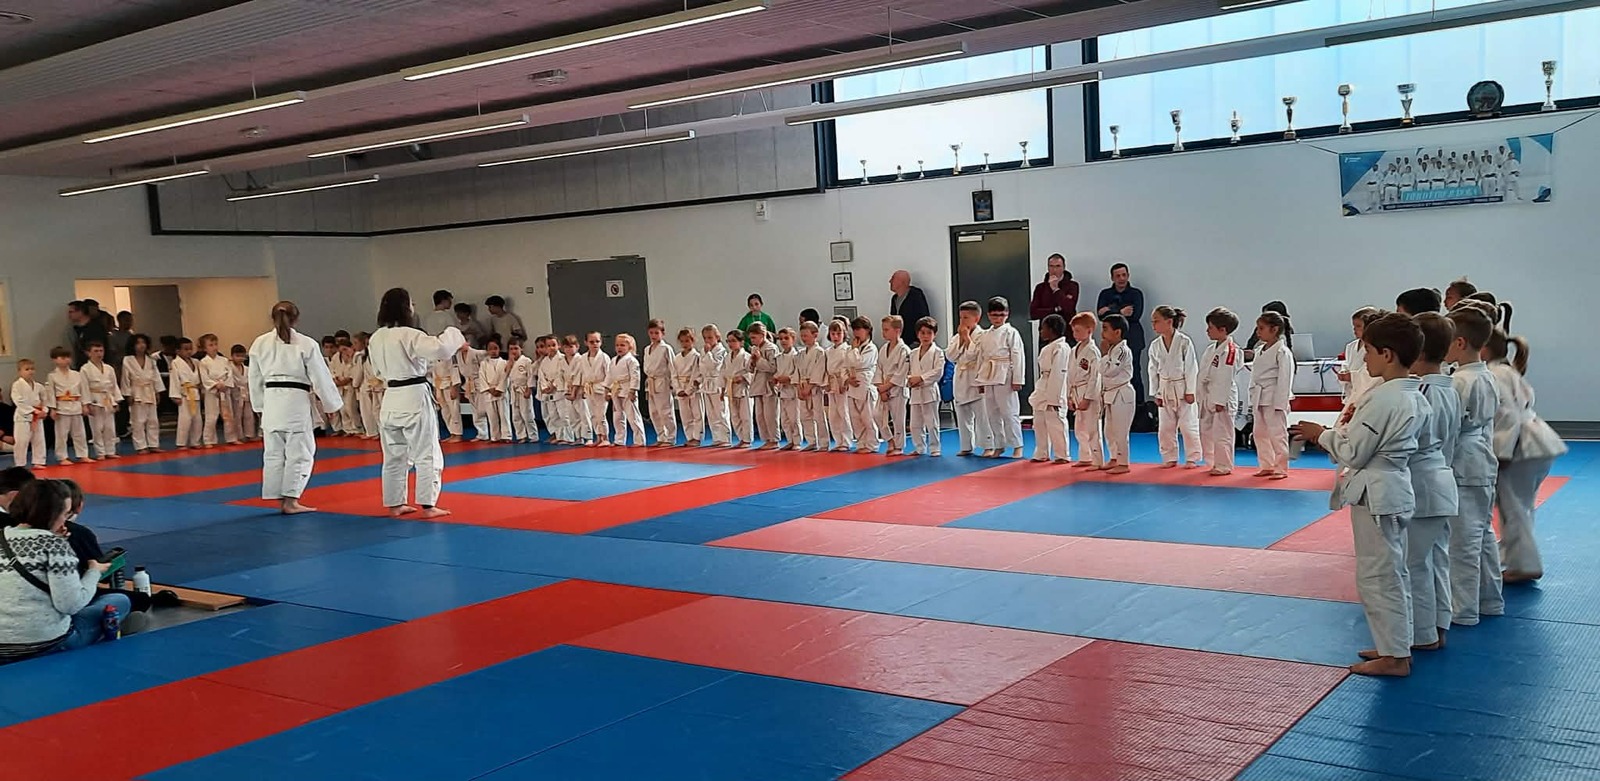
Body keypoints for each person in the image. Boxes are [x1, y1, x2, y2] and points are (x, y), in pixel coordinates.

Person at [1291, 313, 1427, 678]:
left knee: (1378, 575)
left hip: (1378, 491)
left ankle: (1395, 655)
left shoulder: (1384, 399)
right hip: (1393, 486)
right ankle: (1395, 644)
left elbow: (1354, 451)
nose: (1364, 358)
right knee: (1391, 571)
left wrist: (1320, 434)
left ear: (1387, 354)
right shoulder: (1412, 394)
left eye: (1367, 350)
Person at [1, 479, 129, 662]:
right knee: (119, 600)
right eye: (65, 513)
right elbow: (70, 605)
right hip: (47, 644)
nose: (65, 520)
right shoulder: (55, 546)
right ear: (52, 514)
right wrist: (94, 572)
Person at [367, 288, 467, 519]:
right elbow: (440, 349)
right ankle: (428, 505)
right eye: (411, 303)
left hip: (390, 398)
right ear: (405, 308)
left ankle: (395, 503)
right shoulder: (410, 334)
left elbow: (377, 371)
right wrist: (454, 332)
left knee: (394, 455)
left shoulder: (376, 337)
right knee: (427, 452)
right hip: (413, 396)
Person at [1485, 322, 1566, 584]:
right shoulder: (1506, 370)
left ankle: (1525, 565)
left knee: (1513, 508)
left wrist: (1503, 454)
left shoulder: (1494, 375)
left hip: (1519, 447)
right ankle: (1512, 557)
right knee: (1519, 506)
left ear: (1482, 349)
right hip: (1534, 442)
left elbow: (1508, 416)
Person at [247, 302, 342, 515]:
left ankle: (278, 497)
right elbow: (320, 377)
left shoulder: (260, 343)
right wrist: (330, 404)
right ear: (296, 319)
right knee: (299, 451)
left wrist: (259, 406)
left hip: (271, 401)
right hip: (295, 402)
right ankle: (291, 501)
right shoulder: (306, 344)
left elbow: (254, 378)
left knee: (273, 453)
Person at [1404, 312, 1460, 654]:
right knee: (1436, 557)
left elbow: (1409, 444)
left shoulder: (1421, 391)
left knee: (1412, 564)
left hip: (1421, 484)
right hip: (1442, 478)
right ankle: (1439, 624)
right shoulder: (1449, 388)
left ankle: (1422, 633)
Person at [1443, 305, 1502, 625]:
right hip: (1482, 460)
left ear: (1460, 342)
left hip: (1463, 464)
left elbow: (1451, 429)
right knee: (1482, 534)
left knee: (1461, 542)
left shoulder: (1459, 382)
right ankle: (1490, 599)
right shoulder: (1486, 375)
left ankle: (1463, 609)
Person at [1148, 306, 1200, 468]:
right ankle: (1169, 457)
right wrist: (1156, 393)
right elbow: (1152, 370)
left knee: (1188, 426)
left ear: (1169, 321)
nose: (1153, 325)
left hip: (1182, 387)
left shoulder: (1184, 342)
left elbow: (1191, 368)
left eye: (1156, 321)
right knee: (1165, 427)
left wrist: (1191, 391)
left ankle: (1192, 457)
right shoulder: (1155, 345)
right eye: (1153, 322)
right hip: (1164, 388)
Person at [976, 297, 1025, 459]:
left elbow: (1018, 355)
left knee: (1009, 412)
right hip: (988, 374)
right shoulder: (985, 334)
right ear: (989, 315)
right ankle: (999, 444)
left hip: (1005, 373)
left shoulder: (1011, 332)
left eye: (1001, 315)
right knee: (992, 413)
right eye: (995, 315)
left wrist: (1018, 379)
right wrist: (979, 380)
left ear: (1007, 314)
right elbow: (981, 357)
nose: (998, 318)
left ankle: (1017, 445)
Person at [1197, 308, 1242, 477]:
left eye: (1210, 327)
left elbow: (1226, 377)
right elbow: (1203, 373)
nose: (1207, 330)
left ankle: (1224, 465)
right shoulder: (1211, 349)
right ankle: (1212, 462)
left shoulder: (1231, 350)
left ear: (1222, 329)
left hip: (1222, 397)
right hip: (1208, 394)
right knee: (1206, 431)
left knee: (1222, 433)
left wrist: (1220, 401)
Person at [1250, 312, 1295, 480]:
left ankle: (1281, 468)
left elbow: (1285, 378)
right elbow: (1254, 375)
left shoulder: (1283, 352)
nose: (1258, 332)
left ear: (1274, 329)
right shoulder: (1259, 350)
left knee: (1277, 434)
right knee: (1259, 433)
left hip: (1274, 396)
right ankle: (1267, 465)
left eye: (1261, 328)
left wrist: (1281, 402)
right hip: (1259, 396)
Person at [1095, 264, 1147, 402]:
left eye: (1124, 275)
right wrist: (1120, 311)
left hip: (1133, 338)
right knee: (1110, 370)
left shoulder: (1136, 294)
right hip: (1111, 339)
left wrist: (1110, 309)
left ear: (1128, 276)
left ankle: (1139, 408)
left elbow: (1135, 315)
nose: (1121, 278)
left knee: (1135, 374)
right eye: (1117, 276)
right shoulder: (1105, 294)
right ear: (1112, 278)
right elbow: (1101, 316)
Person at [947, 301, 991, 457]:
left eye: (966, 317)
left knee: (982, 415)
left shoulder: (983, 336)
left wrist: (967, 338)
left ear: (976, 318)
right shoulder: (956, 337)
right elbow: (950, 356)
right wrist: (961, 339)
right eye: (960, 317)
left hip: (976, 377)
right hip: (961, 378)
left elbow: (974, 354)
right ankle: (966, 446)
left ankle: (988, 445)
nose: (962, 321)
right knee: (962, 414)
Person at [1030, 313, 1071, 464]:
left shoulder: (1061, 348)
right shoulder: (1048, 347)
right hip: (1043, 386)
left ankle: (1062, 454)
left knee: (1056, 423)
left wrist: (1054, 399)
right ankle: (1042, 452)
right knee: (1039, 422)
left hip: (1054, 388)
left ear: (1052, 330)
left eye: (1043, 328)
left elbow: (1058, 374)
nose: (1041, 331)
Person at [1098, 314, 1135, 475]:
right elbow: (1102, 370)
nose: (1102, 333)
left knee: (1120, 431)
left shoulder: (1122, 351)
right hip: (1110, 393)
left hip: (1122, 393)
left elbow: (1110, 370)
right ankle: (1114, 457)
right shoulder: (1113, 350)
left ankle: (1123, 462)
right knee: (1109, 430)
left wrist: (1104, 354)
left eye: (1105, 329)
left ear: (1117, 332)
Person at [1067, 313, 1103, 469]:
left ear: (1089, 330)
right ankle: (1085, 457)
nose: (1075, 334)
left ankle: (1097, 460)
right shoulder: (1073, 350)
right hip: (1076, 390)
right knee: (1079, 428)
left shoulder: (1093, 351)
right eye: (1073, 331)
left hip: (1088, 392)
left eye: (1078, 331)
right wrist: (1069, 396)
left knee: (1092, 429)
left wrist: (1088, 398)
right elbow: (1069, 375)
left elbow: (1095, 377)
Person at [906, 317, 945, 458]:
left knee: (931, 422)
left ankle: (935, 447)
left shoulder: (938, 352)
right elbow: (906, 371)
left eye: (929, 333)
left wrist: (921, 378)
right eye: (922, 333)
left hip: (930, 391)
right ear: (917, 334)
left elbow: (938, 372)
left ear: (935, 334)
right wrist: (910, 380)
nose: (925, 336)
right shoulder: (912, 353)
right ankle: (919, 447)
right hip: (915, 391)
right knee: (915, 423)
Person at [45, 347, 89, 465]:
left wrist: (85, 405)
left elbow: (84, 390)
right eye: (63, 357)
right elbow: (51, 393)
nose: (66, 360)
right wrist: (53, 409)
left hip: (76, 405)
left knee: (80, 433)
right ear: (55, 359)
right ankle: (62, 457)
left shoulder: (77, 374)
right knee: (61, 434)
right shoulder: (52, 376)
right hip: (61, 407)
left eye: (68, 357)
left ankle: (83, 455)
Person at [1338, 308, 1384, 421]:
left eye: (1358, 326)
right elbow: (1347, 365)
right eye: (1353, 326)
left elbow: (1371, 376)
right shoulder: (1350, 346)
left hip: (1367, 394)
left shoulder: (1377, 350)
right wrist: (1344, 373)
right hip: (1352, 392)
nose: (1355, 329)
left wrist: (1352, 376)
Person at [120, 335, 163, 454]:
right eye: (138, 343)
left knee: (153, 419)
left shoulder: (151, 360)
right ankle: (141, 446)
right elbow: (125, 378)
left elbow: (156, 376)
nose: (141, 345)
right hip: (136, 391)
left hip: (150, 390)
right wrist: (128, 394)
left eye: (143, 342)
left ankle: (153, 444)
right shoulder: (128, 360)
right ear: (133, 346)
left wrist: (157, 391)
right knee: (138, 421)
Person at [80, 342, 122, 461]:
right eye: (96, 351)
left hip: (108, 399)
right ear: (88, 353)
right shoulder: (85, 369)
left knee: (110, 427)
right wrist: (86, 404)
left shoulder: (109, 368)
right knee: (97, 428)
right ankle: (100, 452)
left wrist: (116, 400)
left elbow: (114, 385)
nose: (99, 354)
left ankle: (110, 451)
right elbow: (84, 387)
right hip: (94, 399)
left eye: (101, 351)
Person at [875, 316, 910, 456]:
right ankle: (889, 440)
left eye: (886, 330)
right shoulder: (883, 349)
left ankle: (899, 446)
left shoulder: (904, 350)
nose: (883, 333)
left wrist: (886, 387)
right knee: (877, 415)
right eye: (883, 330)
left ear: (897, 331)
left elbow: (902, 373)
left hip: (897, 389)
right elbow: (878, 369)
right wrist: (881, 388)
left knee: (898, 419)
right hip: (884, 387)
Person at [845, 317, 880, 454]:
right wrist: (847, 379)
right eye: (854, 329)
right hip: (852, 384)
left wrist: (854, 350)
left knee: (868, 417)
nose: (856, 333)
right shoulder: (851, 348)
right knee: (855, 417)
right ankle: (861, 443)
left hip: (865, 384)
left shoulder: (871, 348)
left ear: (868, 330)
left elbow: (859, 363)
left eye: (859, 329)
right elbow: (846, 365)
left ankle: (872, 444)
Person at [197, 334, 237, 447]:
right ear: (204, 348)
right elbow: (205, 378)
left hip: (224, 389)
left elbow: (230, 374)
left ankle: (231, 438)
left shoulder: (224, 360)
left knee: (228, 415)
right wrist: (215, 385)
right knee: (211, 416)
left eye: (215, 344)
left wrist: (224, 384)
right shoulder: (203, 362)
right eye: (210, 345)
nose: (214, 347)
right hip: (212, 392)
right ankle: (209, 440)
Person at [642, 320, 676, 448]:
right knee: (654, 412)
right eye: (651, 333)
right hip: (651, 382)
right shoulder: (647, 349)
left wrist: (673, 384)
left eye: (656, 333)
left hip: (663, 381)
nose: (653, 335)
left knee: (665, 411)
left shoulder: (666, 348)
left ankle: (670, 437)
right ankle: (661, 436)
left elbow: (672, 366)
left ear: (663, 333)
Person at [575, 331, 612, 447]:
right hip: (589, 388)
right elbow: (581, 374)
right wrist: (582, 388)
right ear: (586, 343)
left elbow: (609, 374)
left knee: (601, 415)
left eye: (597, 341)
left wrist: (608, 390)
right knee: (592, 414)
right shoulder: (583, 358)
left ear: (601, 342)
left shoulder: (604, 357)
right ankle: (598, 437)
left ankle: (605, 437)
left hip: (601, 388)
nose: (595, 344)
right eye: (591, 342)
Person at [747, 323, 780, 450]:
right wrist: (753, 361)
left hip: (768, 384)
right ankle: (766, 439)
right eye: (751, 338)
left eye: (754, 337)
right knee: (760, 415)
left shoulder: (771, 348)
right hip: (757, 384)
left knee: (770, 415)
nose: (752, 340)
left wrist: (759, 359)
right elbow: (750, 369)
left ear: (762, 335)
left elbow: (773, 368)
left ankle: (774, 439)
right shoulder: (755, 348)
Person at [794, 321, 826, 452]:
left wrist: (810, 386)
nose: (803, 338)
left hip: (814, 387)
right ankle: (811, 441)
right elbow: (796, 371)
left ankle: (823, 443)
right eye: (802, 335)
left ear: (815, 335)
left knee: (818, 415)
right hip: (802, 385)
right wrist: (798, 387)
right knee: (805, 416)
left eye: (806, 335)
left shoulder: (820, 352)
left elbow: (819, 370)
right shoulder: (800, 353)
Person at [607, 334, 644, 447]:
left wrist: (633, 390)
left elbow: (635, 376)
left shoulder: (631, 360)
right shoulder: (613, 360)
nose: (619, 347)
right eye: (617, 345)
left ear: (630, 347)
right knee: (617, 417)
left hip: (628, 390)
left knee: (633, 416)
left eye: (622, 345)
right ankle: (619, 440)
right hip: (616, 390)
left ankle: (639, 440)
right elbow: (609, 376)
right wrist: (607, 389)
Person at [1029, 254, 1080, 334]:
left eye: (1058, 266)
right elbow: (1033, 313)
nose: (1054, 270)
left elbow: (1069, 309)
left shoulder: (1072, 286)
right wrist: (1056, 309)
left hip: (1067, 332)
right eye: (1051, 266)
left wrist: (1056, 290)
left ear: (1064, 267)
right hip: (1046, 333)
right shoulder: (1040, 288)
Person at [823, 317, 853, 451]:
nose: (835, 337)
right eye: (833, 334)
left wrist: (845, 381)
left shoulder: (847, 349)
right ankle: (838, 441)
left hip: (841, 383)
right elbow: (825, 368)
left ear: (844, 334)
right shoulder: (828, 351)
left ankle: (846, 441)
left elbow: (848, 367)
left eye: (838, 333)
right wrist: (826, 383)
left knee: (843, 412)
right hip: (831, 382)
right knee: (833, 414)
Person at [542, 336, 579, 445]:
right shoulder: (545, 361)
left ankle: (568, 437)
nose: (551, 348)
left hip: (560, 389)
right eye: (548, 346)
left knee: (564, 414)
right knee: (554, 415)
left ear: (558, 346)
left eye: (553, 345)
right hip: (549, 391)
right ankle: (559, 436)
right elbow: (541, 376)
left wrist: (554, 385)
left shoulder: (562, 358)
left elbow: (560, 374)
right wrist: (545, 387)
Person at [11, 361, 47, 469]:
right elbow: (18, 401)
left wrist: (44, 410)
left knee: (39, 439)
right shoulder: (17, 385)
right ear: (19, 371)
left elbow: (45, 399)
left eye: (32, 369)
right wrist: (33, 411)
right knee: (21, 441)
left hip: (38, 416)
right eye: (27, 369)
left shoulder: (39, 386)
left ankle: (38, 461)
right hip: (23, 417)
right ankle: (20, 464)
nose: (30, 371)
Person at [672, 328, 703, 448]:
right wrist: (678, 389)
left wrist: (689, 390)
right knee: (685, 415)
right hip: (681, 388)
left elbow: (697, 374)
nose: (685, 344)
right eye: (682, 341)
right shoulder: (677, 358)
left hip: (693, 388)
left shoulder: (697, 356)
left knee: (697, 414)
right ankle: (689, 437)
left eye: (687, 341)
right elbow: (674, 375)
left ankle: (697, 437)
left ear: (693, 341)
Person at [169, 338, 203, 448]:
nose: (189, 351)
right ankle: (181, 443)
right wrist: (175, 395)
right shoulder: (175, 363)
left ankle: (195, 441)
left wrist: (201, 389)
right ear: (178, 351)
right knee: (185, 419)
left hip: (195, 392)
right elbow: (174, 379)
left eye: (190, 349)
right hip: (184, 394)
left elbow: (200, 378)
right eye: (186, 349)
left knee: (197, 419)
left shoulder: (196, 362)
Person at [700, 325, 731, 447]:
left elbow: (714, 366)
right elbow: (702, 367)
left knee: (721, 411)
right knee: (711, 413)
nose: (707, 341)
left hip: (717, 383)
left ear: (717, 337)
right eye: (705, 338)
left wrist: (708, 354)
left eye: (710, 338)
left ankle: (725, 438)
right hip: (707, 383)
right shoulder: (703, 350)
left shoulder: (722, 351)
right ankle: (717, 438)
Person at [722, 329, 753, 447]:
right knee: (735, 416)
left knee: (745, 416)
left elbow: (753, 372)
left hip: (744, 389)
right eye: (728, 341)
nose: (730, 344)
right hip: (731, 388)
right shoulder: (727, 357)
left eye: (733, 341)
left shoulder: (746, 357)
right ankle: (741, 438)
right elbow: (723, 373)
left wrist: (743, 377)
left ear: (741, 342)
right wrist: (722, 390)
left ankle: (747, 439)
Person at [477, 336, 511, 442]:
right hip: (489, 392)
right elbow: (482, 377)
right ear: (487, 350)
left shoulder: (505, 363)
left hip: (501, 391)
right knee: (492, 416)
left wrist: (499, 388)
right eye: (490, 349)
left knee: (504, 415)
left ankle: (506, 436)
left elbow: (505, 377)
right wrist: (489, 389)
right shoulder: (483, 364)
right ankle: (495, 436)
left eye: (495, 348)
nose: (493, 351)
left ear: (499, 349)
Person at [773, 327, 802, 451]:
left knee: (794, 418)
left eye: (786, 338)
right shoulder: (779, 357)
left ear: (793, 339)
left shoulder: (796, 356)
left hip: (793, 390)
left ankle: (797, 441)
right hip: (782, 390)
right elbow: (778, 372)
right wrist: (776, 378)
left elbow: (798, 373)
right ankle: (790, 440)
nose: (783, 341)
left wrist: (789, 378)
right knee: (784, 419)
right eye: (781, 339)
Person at [888, 271, 931, 348]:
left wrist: (918, 340)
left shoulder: (916, 295)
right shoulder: (894, 299)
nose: (890, 281)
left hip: (913, 343)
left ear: (902, 281)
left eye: (893, 278)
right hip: (899, 343)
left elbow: (924, 319)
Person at [507, 338, 537, 444]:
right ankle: (521, 435)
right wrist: (510, 363)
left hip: (524, 389)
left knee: (527, 414)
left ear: (521, 349)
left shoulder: (526, 361)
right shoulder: (510, 362)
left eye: (516, 348)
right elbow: (506, 375)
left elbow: (530, 376)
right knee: (516, 415)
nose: (513, 351)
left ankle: (533, 435)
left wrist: (529, 389)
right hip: (514, 390)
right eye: (511, 349)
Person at [65, 301, 110, 370]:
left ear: (80, 312)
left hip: (95, 367)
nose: (69, 315)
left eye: (71, 312)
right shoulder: (75, 329)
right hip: (80, 367)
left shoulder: (95, 328)